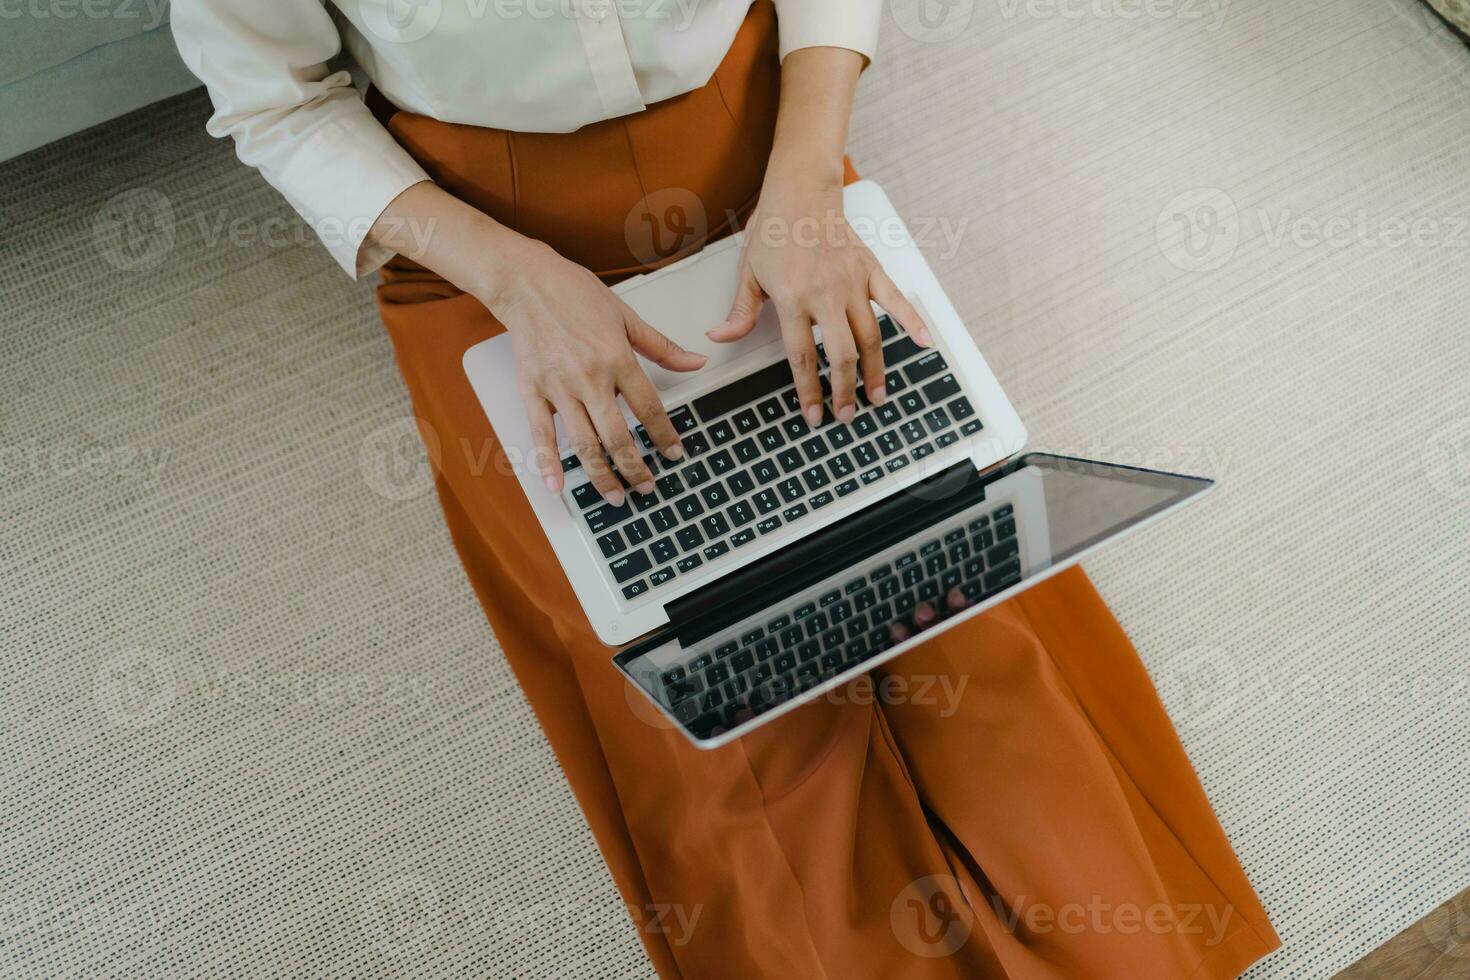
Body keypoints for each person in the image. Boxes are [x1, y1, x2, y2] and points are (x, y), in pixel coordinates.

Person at [171, 2, 1281, 975]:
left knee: (943, 569)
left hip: (754, 145)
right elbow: (276, 99)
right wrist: (518, 281)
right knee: (690, 675)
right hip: (481, 231)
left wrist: (804, 188)